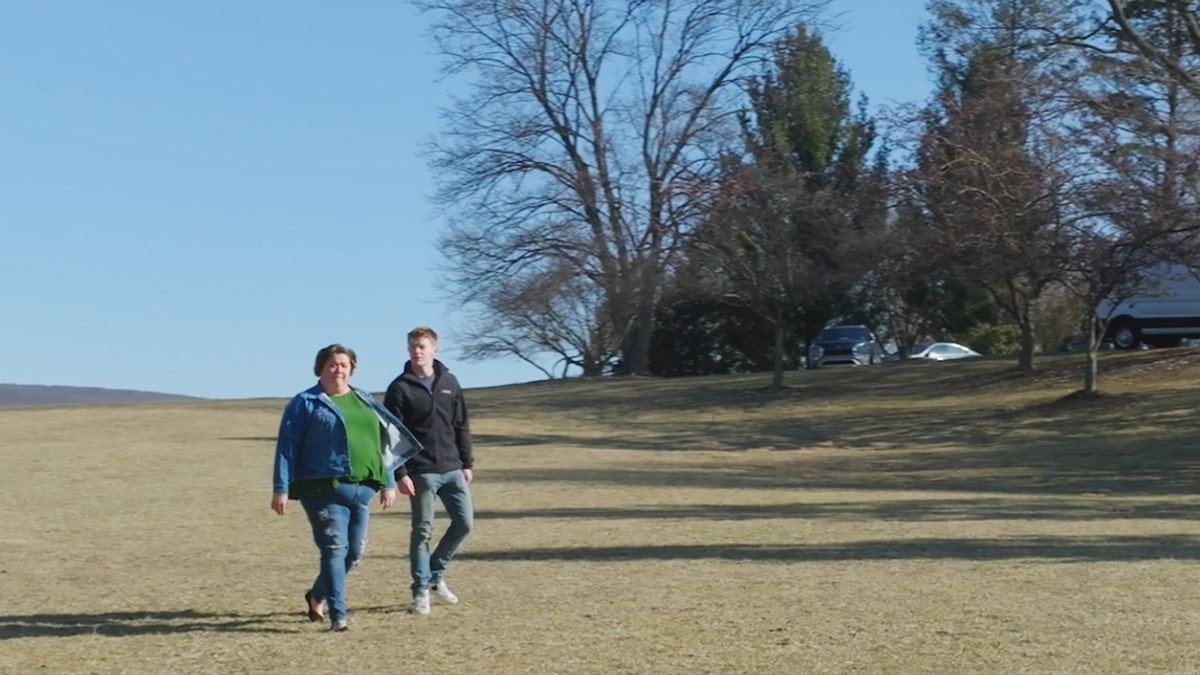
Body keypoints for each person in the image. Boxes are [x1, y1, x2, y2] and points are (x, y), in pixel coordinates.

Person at [272, 344, 421, 631]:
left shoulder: (364, 399)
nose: (338, 369)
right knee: (333, 549)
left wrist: (388, 482)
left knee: (353, 552)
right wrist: (281, 488)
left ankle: (317, 594)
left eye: (343, 364)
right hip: (322, 489)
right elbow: (286, 446)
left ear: (351, 368)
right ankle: (338, 616)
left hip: (363, 488)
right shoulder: (305, 403)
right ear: (320, 369)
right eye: (331, 364)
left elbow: (383, 444)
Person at [384, 326, 475, 615]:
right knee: (422, 530)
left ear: (434, 349)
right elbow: (390, 436)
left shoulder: (449, 381)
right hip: (421, 472)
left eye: (422, 346)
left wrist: (467, 462)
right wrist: (400, 474)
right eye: (412, 346)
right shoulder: (400, 388)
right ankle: (420, 590)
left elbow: (460, 424)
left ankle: (435, 575)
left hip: (452, 468)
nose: (416, 351)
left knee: (464, 523)